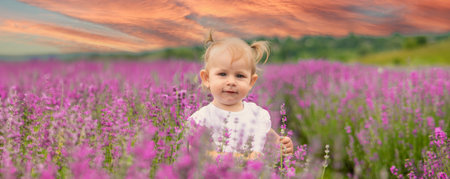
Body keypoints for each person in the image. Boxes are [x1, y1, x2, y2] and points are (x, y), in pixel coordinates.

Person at [188, 31, 293, 160]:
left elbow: (270, 141)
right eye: (222, 74)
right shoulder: (202, 118)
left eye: (240, 76)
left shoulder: (257, 115)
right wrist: (241, 158)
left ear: (251, 82)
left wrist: (282, 145)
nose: (231, 82)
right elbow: (198, 154)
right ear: (206, 78)